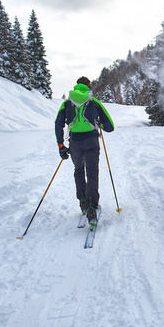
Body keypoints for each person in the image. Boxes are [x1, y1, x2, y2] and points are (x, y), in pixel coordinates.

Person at [55, 77, 114, 226]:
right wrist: (99, 122)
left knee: (79, 170)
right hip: (91, 142)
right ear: (88, 85)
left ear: (77, 86)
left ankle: (83, 202)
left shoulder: (67, 102)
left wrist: (61, 145)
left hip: (74, 142)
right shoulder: (93, 101)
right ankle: (92, 206)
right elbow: (110, 126)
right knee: (92, 172)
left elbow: (58, 124)